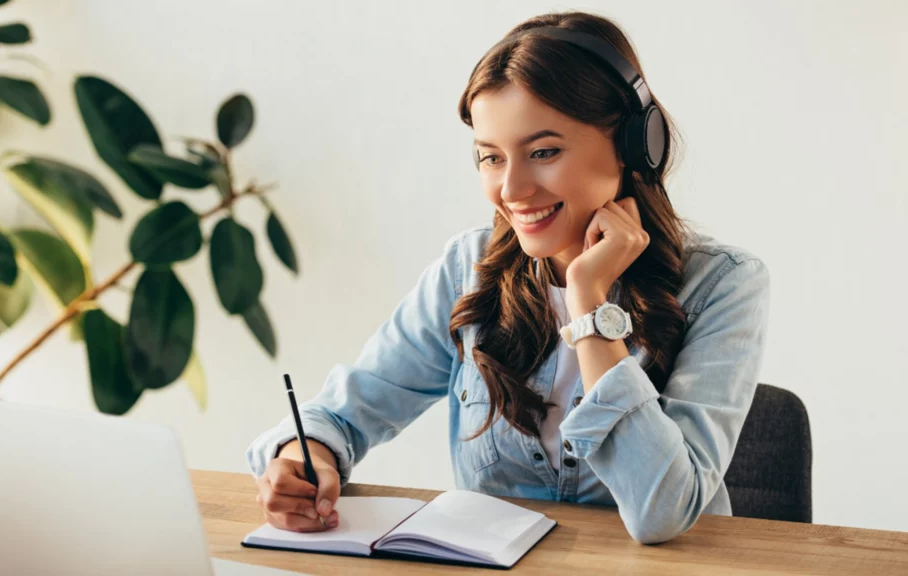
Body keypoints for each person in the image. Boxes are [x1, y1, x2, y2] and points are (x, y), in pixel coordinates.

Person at [246, 10, 769, 545]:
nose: (512, 190)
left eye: (543, 152)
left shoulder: (723, 285)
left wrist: (589, 305)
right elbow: (346, 411)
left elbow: (663, 511)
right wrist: (303, 456)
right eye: (491, 158)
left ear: (635, 145)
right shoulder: (465, 269)